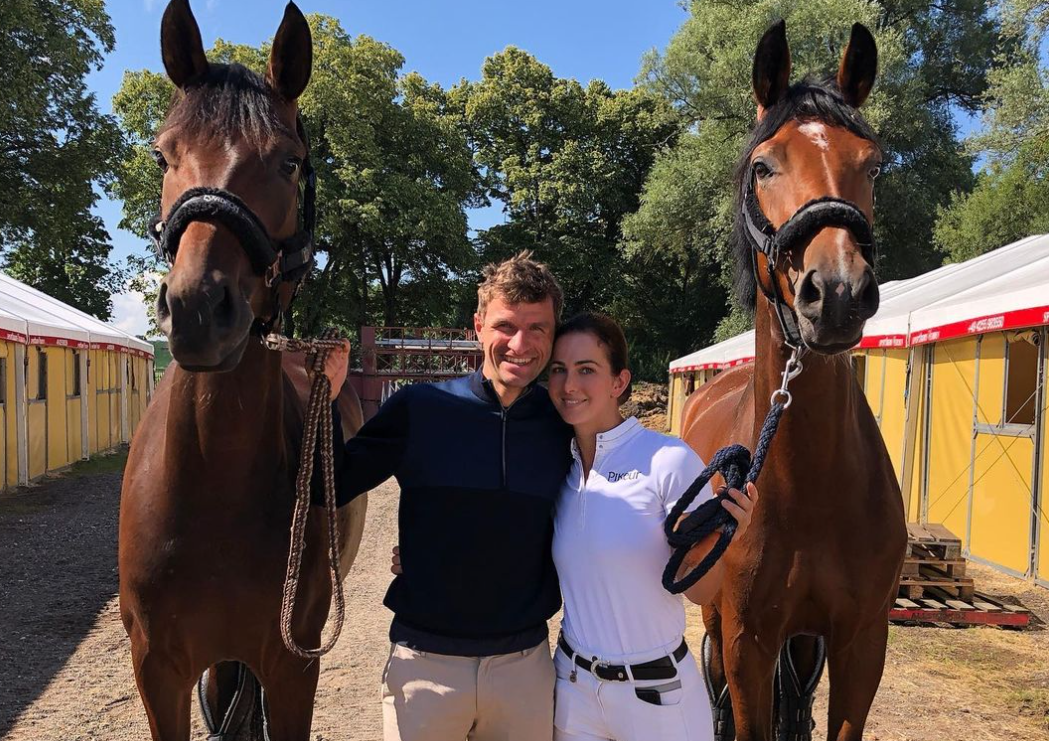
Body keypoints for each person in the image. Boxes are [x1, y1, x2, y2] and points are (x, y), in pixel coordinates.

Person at [323, 252, 573, 741]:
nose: (520, 344)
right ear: (478, 326)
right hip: (425, 668)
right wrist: (330, 399)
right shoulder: (420, 410)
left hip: (524, 668)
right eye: (506, 326)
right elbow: (329, 486)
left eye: (538, 328)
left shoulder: (563, 424)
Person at [545, 312, 757, 741]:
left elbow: (700, 591)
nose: (569, 385)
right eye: (559, 370)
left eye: (587, 370)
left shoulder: (668, 461)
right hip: (571, 693)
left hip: (657, 699)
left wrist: (725, 538)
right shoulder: (554, 468)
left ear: (619, 383)